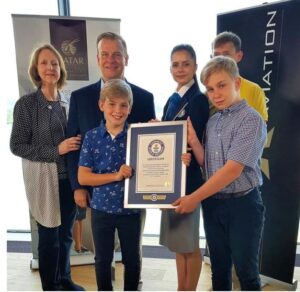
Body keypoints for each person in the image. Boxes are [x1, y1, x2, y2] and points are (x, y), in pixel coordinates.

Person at [66, 31, 155, 288]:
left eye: (116, 54)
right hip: (97, 199)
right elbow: (74, 145)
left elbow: (153, 148)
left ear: (126, 58)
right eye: (105, 54)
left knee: (132, 254)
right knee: (102, 256)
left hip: (133, 199)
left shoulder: (144, 98)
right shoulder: (80, 98)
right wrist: (77, 186)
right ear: (97, 58)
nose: (111, 59)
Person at [174, 56, 267, 291]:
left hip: (243, 205)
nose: (216, 94)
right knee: (219, 268)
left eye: (222, 85)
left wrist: (194, 198)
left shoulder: (251, 120)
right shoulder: (214, 121)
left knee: (246, 272)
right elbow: (209, 165)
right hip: (215, 205)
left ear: (236, 83)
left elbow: (232, 170)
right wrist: (194, 142)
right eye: (210, 89)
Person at [10, 44, 84, 291]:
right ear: (36, 69)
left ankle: (64, 279)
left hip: (69, 180)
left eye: (54, 63)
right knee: (49, 237)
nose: (50, 67)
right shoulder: (26, 105)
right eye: (44, 63)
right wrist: (56, 151)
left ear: (60, 68)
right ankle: (50, 286)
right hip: (44, 181)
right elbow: (17, 145)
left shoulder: (69, 101)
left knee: (65, 235)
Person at [76, 79, 140, 290]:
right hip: (101, 210)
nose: (117, 110)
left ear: (129, 108)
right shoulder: (92, 137)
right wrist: (115, 176)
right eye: (112, 104)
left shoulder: (138, 136)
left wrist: (178, 159)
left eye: (123, 105)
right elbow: (84, 177)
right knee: (102, 260)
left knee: (132, 260)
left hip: (130, 211)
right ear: (101, 105)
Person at [159, 44, 209, 291]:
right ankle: (181, 288)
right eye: (175, 64)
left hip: (188, 180)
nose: (180, 69)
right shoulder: (173, 98)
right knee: (178, 244)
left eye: (186, 63)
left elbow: (196, 140)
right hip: (171, 177)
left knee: (189, 244)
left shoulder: (198, 100)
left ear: (195, 67)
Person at [211, 31, 268, 121]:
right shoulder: (207, 94)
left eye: (226, 55)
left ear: (239, 56)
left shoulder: (254, 90)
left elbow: (261, 130)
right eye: (216, 55)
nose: (221, 60)